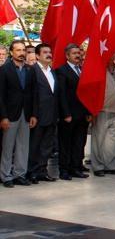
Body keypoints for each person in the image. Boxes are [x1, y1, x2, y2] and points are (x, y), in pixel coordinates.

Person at [0, 40, 37, 187]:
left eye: (23, 50)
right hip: (10, 114)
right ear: (11, 52)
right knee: (8, 146)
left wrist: (34, 114)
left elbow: (34, 94)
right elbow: (0, 95)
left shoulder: (30, 70)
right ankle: (5, 175)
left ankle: (19, 174)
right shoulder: (4, 70)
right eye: (18, 50)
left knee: (23, 146)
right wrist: (3, 117)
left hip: (26, 114)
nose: (21, 53)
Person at [57, 43, 90, 180]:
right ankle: (64, 170)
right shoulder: (62, 71)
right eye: (74, 53)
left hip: (82, 114)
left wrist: (88, 112)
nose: (78, 55)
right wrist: (66, 114)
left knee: (79, 143)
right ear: (67, 56)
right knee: (66, 143)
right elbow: (62, 94)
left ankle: (76, 167)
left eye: (79, 53)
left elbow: (87, 94)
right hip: (69, 115)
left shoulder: (83, 70)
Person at [28, 43, 60, 183]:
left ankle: (42, 170)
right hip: (38, 115)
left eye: (49, 51)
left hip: (52, 114)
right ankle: (32, 172)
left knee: (47, 145)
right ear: (37, 55)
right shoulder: (32, 71)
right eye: (45, 52)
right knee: (35, 144)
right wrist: (33, 114)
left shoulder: (52, 71)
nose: (49, 54)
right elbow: (31, 95)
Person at [90, 56, 115, 176]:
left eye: (114, 54)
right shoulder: (99, 70)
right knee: (99, 140)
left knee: (113, 141)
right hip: (102, 110)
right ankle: (98, 166)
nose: (112, 56)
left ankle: (110, 165)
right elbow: (93, 90)